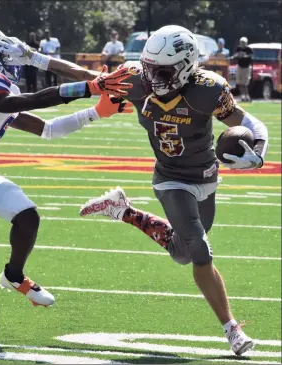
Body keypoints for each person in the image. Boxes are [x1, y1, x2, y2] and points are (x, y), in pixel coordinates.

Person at [79, 25, 268, 356]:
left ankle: (121, 210)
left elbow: (252, 124)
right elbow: (88, 77)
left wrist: (258, 153)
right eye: (149, 67)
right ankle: (232, 329)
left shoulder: (209, 89)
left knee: (182, 252)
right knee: (200, 249)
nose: (152, 76)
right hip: (169, 179)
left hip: (206, 176)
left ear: (186, 65)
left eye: (162, 70)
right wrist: (39, 63)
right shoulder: (136, 80)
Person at [0, 27, 133, 307]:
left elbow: (48, 129)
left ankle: (14, 276)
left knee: (27, 216)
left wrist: (95, 110)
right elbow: (32, 100)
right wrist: (88, 87)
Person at [233, 37, 253, 102]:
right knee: (239, 82)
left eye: (243, 42)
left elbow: (250, 55)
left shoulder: (248, 49)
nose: (242, 43)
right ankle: (242, 96)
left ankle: (247, 96)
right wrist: (237, 55)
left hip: (246, 67)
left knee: (245, 83)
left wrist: (244, 56)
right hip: (239, 67)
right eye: (241, 42)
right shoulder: (238, 48)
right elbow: (235, 56)